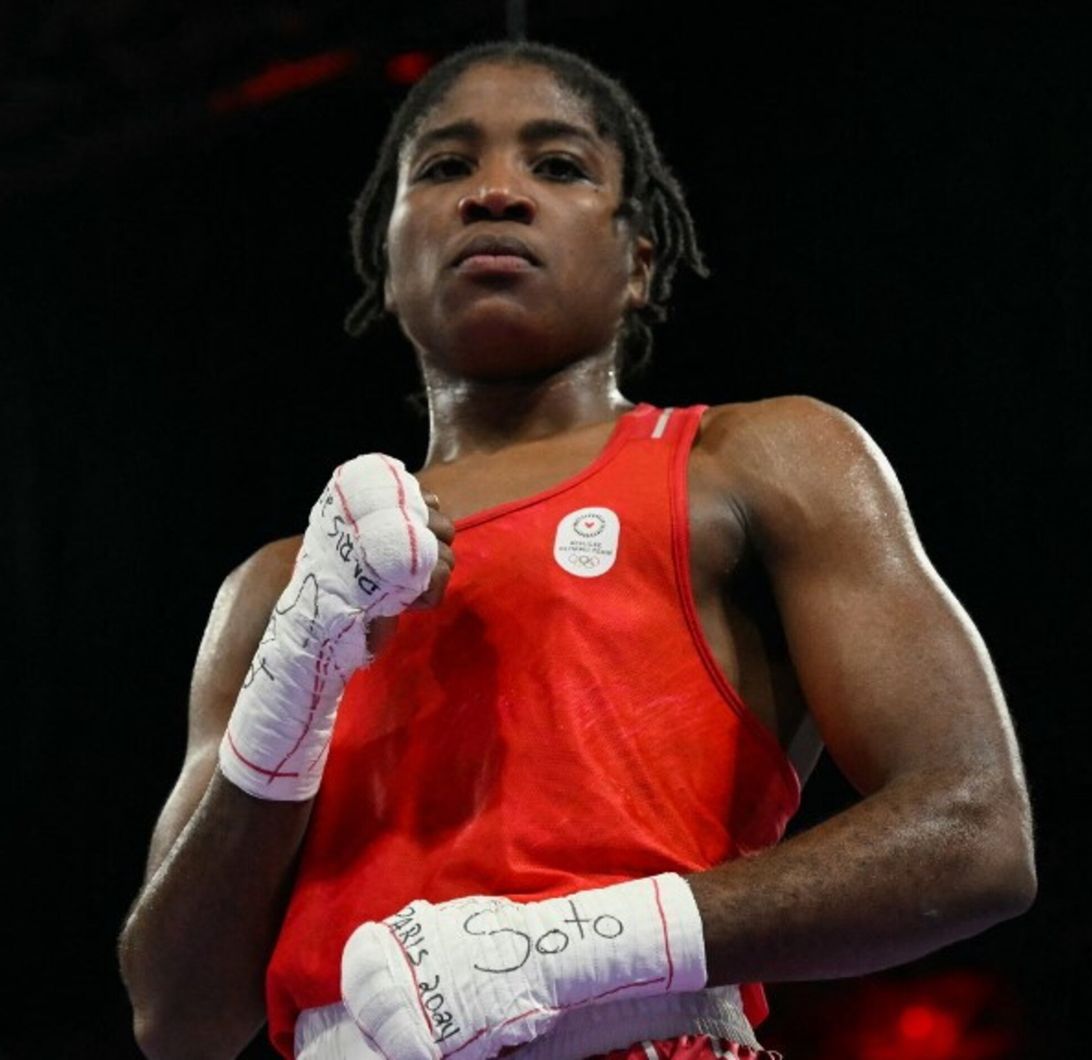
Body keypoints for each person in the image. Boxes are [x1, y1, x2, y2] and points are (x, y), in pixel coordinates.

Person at [117, 40, 1036, 1060]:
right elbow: (179, 1017)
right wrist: (299, 671)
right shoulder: (277, 588)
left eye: (557, 165)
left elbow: (976, 832)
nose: (495, 193)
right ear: (388, 249)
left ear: (640, 260)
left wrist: (563, 949)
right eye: (445, 166)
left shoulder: (751, 463)